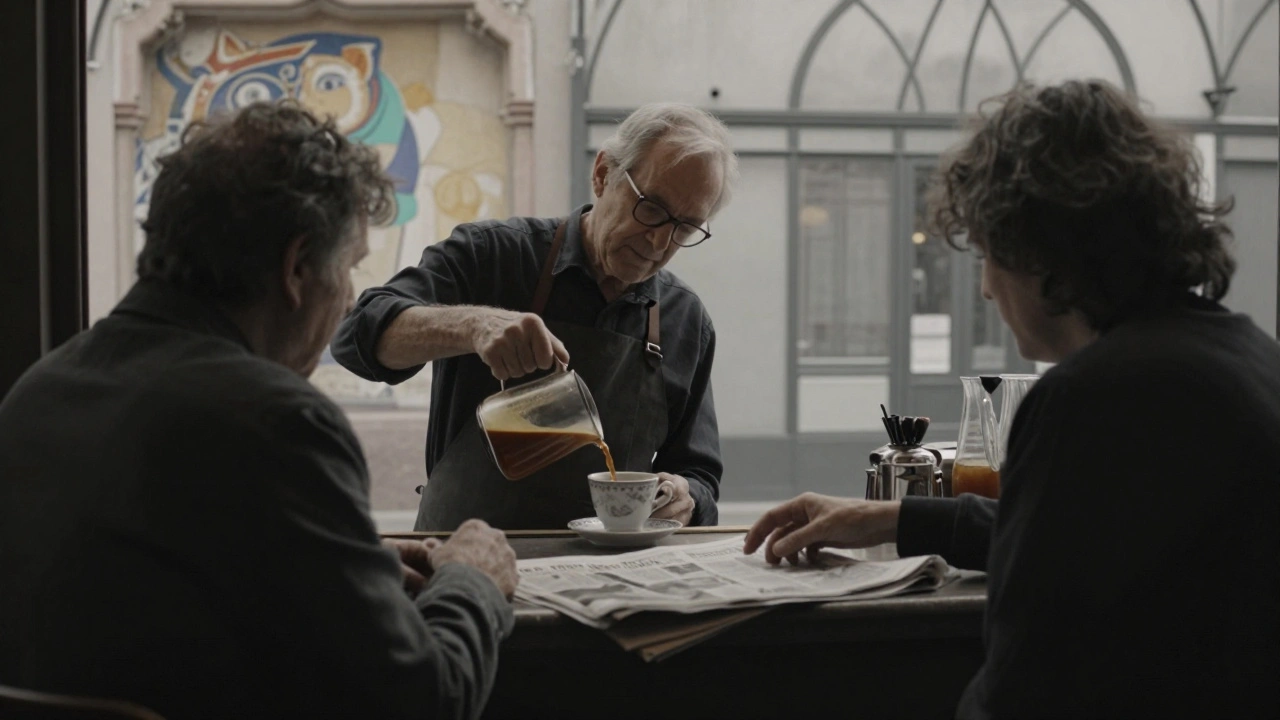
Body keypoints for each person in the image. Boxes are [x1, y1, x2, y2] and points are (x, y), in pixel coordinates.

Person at [745, 80, 1279, 719]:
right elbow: (1084, 536)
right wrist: (894, 518)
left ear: (1041, 249)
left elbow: (1025, 690)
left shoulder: (1090, 399)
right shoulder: (1244, 356)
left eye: (988, 252)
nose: (987, 290)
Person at [0, 103, 519, 720]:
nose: (350, 297)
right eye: (350, 268)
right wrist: (474, 579)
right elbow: (425, 701)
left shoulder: (38, 391)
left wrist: (345, 554)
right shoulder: (275, 421)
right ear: (297, 268)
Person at [331, 103, 738, 531]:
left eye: (685, 228)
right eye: (652, 207)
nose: (660, 240)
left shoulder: (684, 319)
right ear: (603, 174)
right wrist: (474, 326)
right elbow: (356, 334)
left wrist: (685, 497)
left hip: (606, 578)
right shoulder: (491, 256)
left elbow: (700, 476)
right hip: (465, 564)